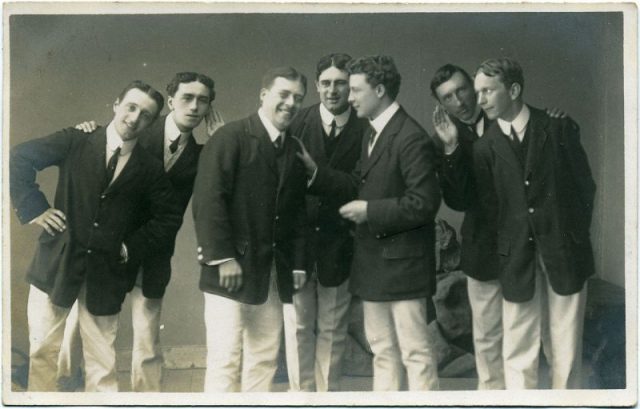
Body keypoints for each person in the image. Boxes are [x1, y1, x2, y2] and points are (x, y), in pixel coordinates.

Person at [10, 80, 182, 392]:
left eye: (145, 114)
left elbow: (169, 216)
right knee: (42, 353)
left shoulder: (149, 168)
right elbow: (19, 158)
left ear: (152, 122)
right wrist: (36, 209)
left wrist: (130, 247)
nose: (134, 117)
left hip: (107, 273)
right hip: (58, 262)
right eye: (131, 107)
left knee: (102, 365)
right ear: (116, 104)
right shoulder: (77, 139)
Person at [61, 72, 221, 391]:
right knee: (81, 318)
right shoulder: (138, 127)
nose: (194, 107)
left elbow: (225, 188)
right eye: (187, 98)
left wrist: (221, 145)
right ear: (171, 100)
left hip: (154, 249)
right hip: (108, 244)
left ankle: (147, 397)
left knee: (147, 329)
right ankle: (65, 382)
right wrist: (86, 131)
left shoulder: (204, 154)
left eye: (203, 101)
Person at [299, 55, 441, 391]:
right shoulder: (375, 132)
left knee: (416, 353)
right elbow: (359, 182)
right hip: (376, 265)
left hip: (404, 269)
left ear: (379, 90)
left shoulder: (410, 137)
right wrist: (317, 176)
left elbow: (424, 204)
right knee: (383, 351)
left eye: (356, 89)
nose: (349, 97)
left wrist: (370, 211)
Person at [472, 58, 595, 389]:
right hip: (516, 256)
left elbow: (585, 188)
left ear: (513, 90)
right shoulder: (484, 147)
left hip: (565, 249)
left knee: (566, 344)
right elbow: (490, 207)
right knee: (518, 345)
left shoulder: (557, 127)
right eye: (477, 92)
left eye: (487, 91)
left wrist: (572, 234)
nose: (480, 100)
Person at [192, 66, 309, 392]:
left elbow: (297, 212)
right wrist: (222, 257)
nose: (290, 103)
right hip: (228, 269)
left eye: (298, 98)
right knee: (226, 358)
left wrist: (297, 263)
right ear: (263, 95)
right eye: (283, 94)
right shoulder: (230, 137)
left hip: (271, 274)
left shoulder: (293, 148)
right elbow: (208, 199)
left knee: (264, 359)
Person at [284, 53, 368, 392]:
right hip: (298, 244)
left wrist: (318, 175)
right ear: (317, 86)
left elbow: (363, 183)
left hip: (341, 244)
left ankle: (327, 396)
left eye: (341, 84)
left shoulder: (366, 127)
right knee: (299, 327)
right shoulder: (296, 123)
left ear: (352, 87)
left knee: (334, 329)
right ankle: (300, 396)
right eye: (326, 83)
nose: (333, 91)